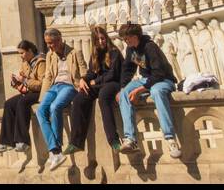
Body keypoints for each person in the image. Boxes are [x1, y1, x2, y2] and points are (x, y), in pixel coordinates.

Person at [117, 22, 181, 158]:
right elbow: (128, 69)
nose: (125, 41)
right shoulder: (131, 50)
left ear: (135, 36)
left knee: (157, 92)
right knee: (124, 93)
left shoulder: (150, 47)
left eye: (127, 38)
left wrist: (140, 90)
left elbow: (159, 73)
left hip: (163, 80)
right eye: (124, 39)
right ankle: (130, 139)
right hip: (147, 80)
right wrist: (123, 87)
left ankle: (170, 138)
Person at [65, 25, 125, 155]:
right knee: (79, 98)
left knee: (103, 97)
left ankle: (114, 140)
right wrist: (83, 79)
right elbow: (92, 73)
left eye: (102, 38)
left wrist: (95, 81)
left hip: (114, 83)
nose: (101, 42)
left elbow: (113, 74)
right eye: (97, 40)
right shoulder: (95, 54)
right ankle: (76, 142)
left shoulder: (114, 51)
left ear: (106, 38)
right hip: (99, 84)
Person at [37, 28, 87, 170]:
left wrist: (83, 79)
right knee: (40, 111)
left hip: (69, 86)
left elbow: (84, 71)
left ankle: (56, 150)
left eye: (51, 43)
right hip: (54, 87)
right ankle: (54, 149)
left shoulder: (74, 52)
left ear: (59, 40)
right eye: (47, 43)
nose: (49, 46)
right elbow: (48, 76)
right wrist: (42, 98)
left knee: (55, 107)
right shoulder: (49, 55)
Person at [0, 40, 44, 154]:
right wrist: (16, 82)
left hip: (40, 92)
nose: (21, 56)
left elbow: (42, 83)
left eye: (22, 53)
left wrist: (25, 81)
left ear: (30, 51)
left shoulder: (41, 62)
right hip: (29, 92)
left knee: (22, 102)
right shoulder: (25, 63)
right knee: (8, 104)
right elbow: (22, 78)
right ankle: (6, 142)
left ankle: (23, 141)